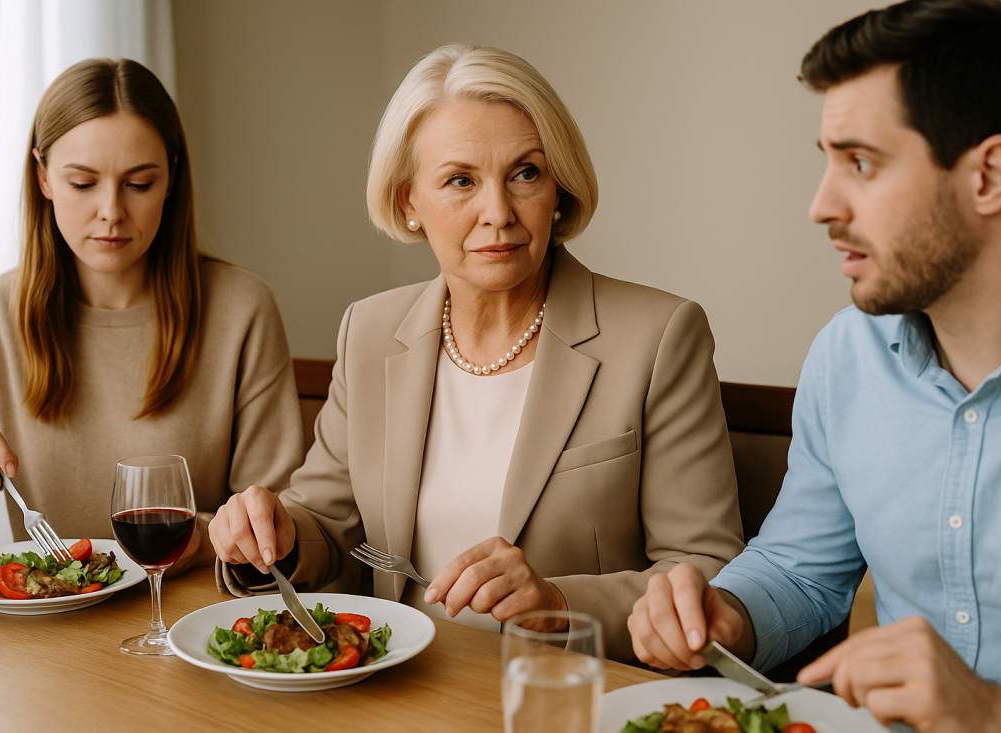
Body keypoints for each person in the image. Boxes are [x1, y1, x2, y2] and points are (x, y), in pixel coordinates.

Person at [209, 42, 744, 663]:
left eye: (525, 173)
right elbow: (326, 523)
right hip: (389, 689)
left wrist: (555, 602)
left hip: (562, 693)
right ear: (410, 201)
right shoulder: (370, 329)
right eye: (461, 181)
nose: (498, 213)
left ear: (558, 186)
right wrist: (272, 531)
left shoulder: (659, 335)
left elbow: (707, 569)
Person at [627, 0, 1001, 729]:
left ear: (990, 174)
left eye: (861, 163)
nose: (820, 205)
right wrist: (726, 613)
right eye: (827, 161)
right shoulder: (848, 355)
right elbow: (801, 571)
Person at [0, 58, 304, 573]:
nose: (111, 211)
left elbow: (278, 528)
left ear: (171, 177)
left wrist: (212, 536)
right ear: (42, 177)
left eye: (139, 184)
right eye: (83, 183)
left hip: (190, 620)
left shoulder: (241, 308)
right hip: (49, 631)